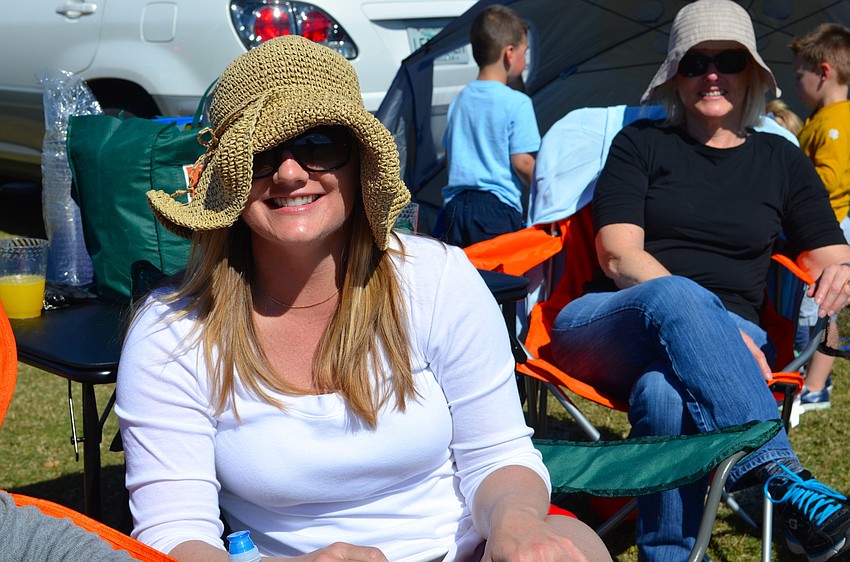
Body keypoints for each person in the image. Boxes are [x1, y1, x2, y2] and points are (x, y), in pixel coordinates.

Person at [115, 35, 611, 562]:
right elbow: (173, 534)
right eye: (261, 153)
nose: (289, 173)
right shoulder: (174, 330)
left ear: (359, 163)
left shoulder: (435, 279)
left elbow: (496, 456)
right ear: (232, 179)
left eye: (319, 144)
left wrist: (516, 527)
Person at [547, 1, 850, 560]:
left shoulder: (781, 161)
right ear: (675, 77)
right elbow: (617, 255)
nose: (712, 74)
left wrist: (841, 269)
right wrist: (712, 324)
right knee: (680, 293)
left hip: (732, 336)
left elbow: (831, 251)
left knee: (663, 392)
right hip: (609, 324)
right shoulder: (640, 145)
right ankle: (778, 474)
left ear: (752, 73)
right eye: (694, 63)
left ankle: (668, 551)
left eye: (727, 60)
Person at [432, 4, 541, 248]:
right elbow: (522, 163)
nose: (525, 61)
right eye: (525, 52)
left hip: (454, 208)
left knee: (459, 279)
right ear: (510, 53)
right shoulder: (518, 102)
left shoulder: (460, 99)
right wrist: (548, 182)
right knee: (499, 282)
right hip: (496, 211)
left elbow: (451, 160)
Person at [788, 23, 850, 412]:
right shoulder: (823, 119)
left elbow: (827, 181)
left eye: (800, 76)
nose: (797, 85)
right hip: (825, 231)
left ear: (823, 73)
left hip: (829, 231)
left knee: (822, 310)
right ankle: (811, 380)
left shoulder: (834, 123)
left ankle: (815, 386)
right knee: (818, 311)